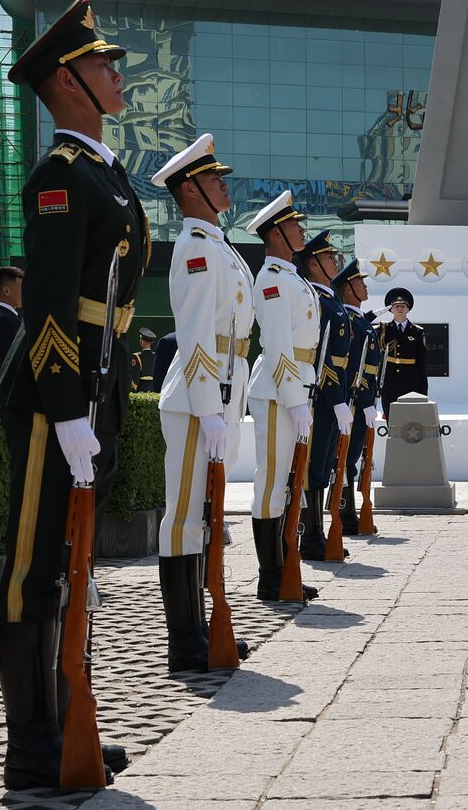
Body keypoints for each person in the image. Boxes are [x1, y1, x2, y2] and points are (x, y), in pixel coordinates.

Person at [0, 0, 142, 788]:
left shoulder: (104, 173)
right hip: (57, 396)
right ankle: (29, 747)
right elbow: (50, 302)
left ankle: (65, 721)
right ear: (68, 80)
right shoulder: (60, 176)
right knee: (32, 570)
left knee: (68, 564)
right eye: (104, 63)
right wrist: (68, 410)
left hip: (93, 386)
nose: (117, 74)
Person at [151, 133, 254, 671]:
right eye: (214, 178)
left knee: (206, 514)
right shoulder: (195, 247)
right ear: (190, 189)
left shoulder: (216, 243)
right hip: (197, 399)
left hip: (220, 393)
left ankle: (202, 630)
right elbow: (193, 337)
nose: (223, 184)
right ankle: (184, 641)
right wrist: (208, 406)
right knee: (185, 516)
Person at [246, 191, 319, 602]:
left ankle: (285, 567)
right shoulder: (273, 279)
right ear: (277, 233)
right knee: (272, 482)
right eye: (295, 225)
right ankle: (270, 576)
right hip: (277, 392)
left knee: (289, 483)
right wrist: (293, 397)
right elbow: (276, 346)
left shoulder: (290, 277)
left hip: (294, 388)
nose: (302, 230)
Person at [294, 230, 353, 561]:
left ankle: (318, 533)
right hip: (320, 395)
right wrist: (334, 397)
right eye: (330, 257)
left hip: (335, 395)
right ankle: (311, 535)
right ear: (313, 263)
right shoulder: (315, 300)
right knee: (312, 466)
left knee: (323, 465)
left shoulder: (329, 298)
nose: (335, 262)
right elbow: (321, 357)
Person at [331, 257, 382, 534]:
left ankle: (349, 514)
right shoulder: (351, 322)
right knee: (346, 461)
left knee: (352, 461)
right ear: (348, 288)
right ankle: (345, 516)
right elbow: (353, 369)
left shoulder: (359, 321)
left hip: (362, 403)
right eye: (359, 281)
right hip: (354, 403)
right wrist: (364, 403)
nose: (364, 286)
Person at [375, 287, 429, 422]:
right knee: (392, 423)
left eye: (403, 306)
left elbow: (422, 364)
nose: (400, 308)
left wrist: (423, 392)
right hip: (389, 384)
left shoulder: (417, 332)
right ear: (390, 309)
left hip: (410, 384)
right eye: (396, 306)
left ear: (408, 309)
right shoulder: (383, 330)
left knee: (410, 422)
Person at [130, 327, 157, 392]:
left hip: (141, 387)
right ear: (151, 343)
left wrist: (133, 387)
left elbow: (135, 373)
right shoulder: (156, 355)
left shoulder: (136, 356)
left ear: (142, 341)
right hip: (153, 387)